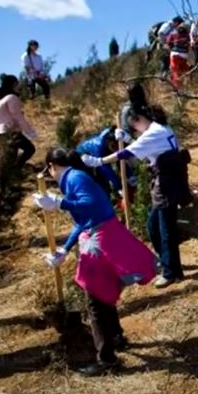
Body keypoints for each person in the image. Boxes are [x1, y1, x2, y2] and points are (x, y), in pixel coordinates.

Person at [33, 148, 156, 376]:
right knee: (104, 290)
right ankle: (116, 336)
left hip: (100, 239)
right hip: (100, 235)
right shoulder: (75, 178)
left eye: (48, 169)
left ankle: (106, 359)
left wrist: (60, 203)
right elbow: (82, 220)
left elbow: (90, 205)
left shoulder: (74, 178)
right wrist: (64, 248)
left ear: (52, 166)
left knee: (94, 299)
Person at [82, 105, 190, 288]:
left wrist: (99, 161)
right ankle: (169, 264)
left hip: (166, 184)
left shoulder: (154, 132)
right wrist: (129, 138)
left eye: (133, 126)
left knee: (165, 230)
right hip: (168, 181)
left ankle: (172, 272)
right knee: (154, 226)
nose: (134, 129)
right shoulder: (160, 128)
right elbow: (146, 148)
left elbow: (127, 153)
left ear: (139, 119)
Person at [0, 74, 37, 170]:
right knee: (29, 149)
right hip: (10, 131)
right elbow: (17, 116)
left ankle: (11, 174)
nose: (18, 86)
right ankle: (13, 172)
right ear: (12, 85)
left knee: (10, 157)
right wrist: (30, 132)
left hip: (0, 132)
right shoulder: (11, 97)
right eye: (17, 84)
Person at [75, 127, 132, 196]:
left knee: (118, 156)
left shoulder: (115, 134)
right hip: (84, 157)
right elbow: (107, 170)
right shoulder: (99, 148)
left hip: (101, 149)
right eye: (114, 147)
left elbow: (120, 158)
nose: (116, 149)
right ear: (109, 144)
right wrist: (119, 187)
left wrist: (130, 176)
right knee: (99, 180)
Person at [165, 24, 191, 88]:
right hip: (184, 55)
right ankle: (188, 85)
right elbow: (189, 44)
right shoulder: (187, 35)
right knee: (185, 70)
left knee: (175, 71)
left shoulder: (173, 34)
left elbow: (168, 43)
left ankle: (177, 88)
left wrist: (170, 47)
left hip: (175, 54)